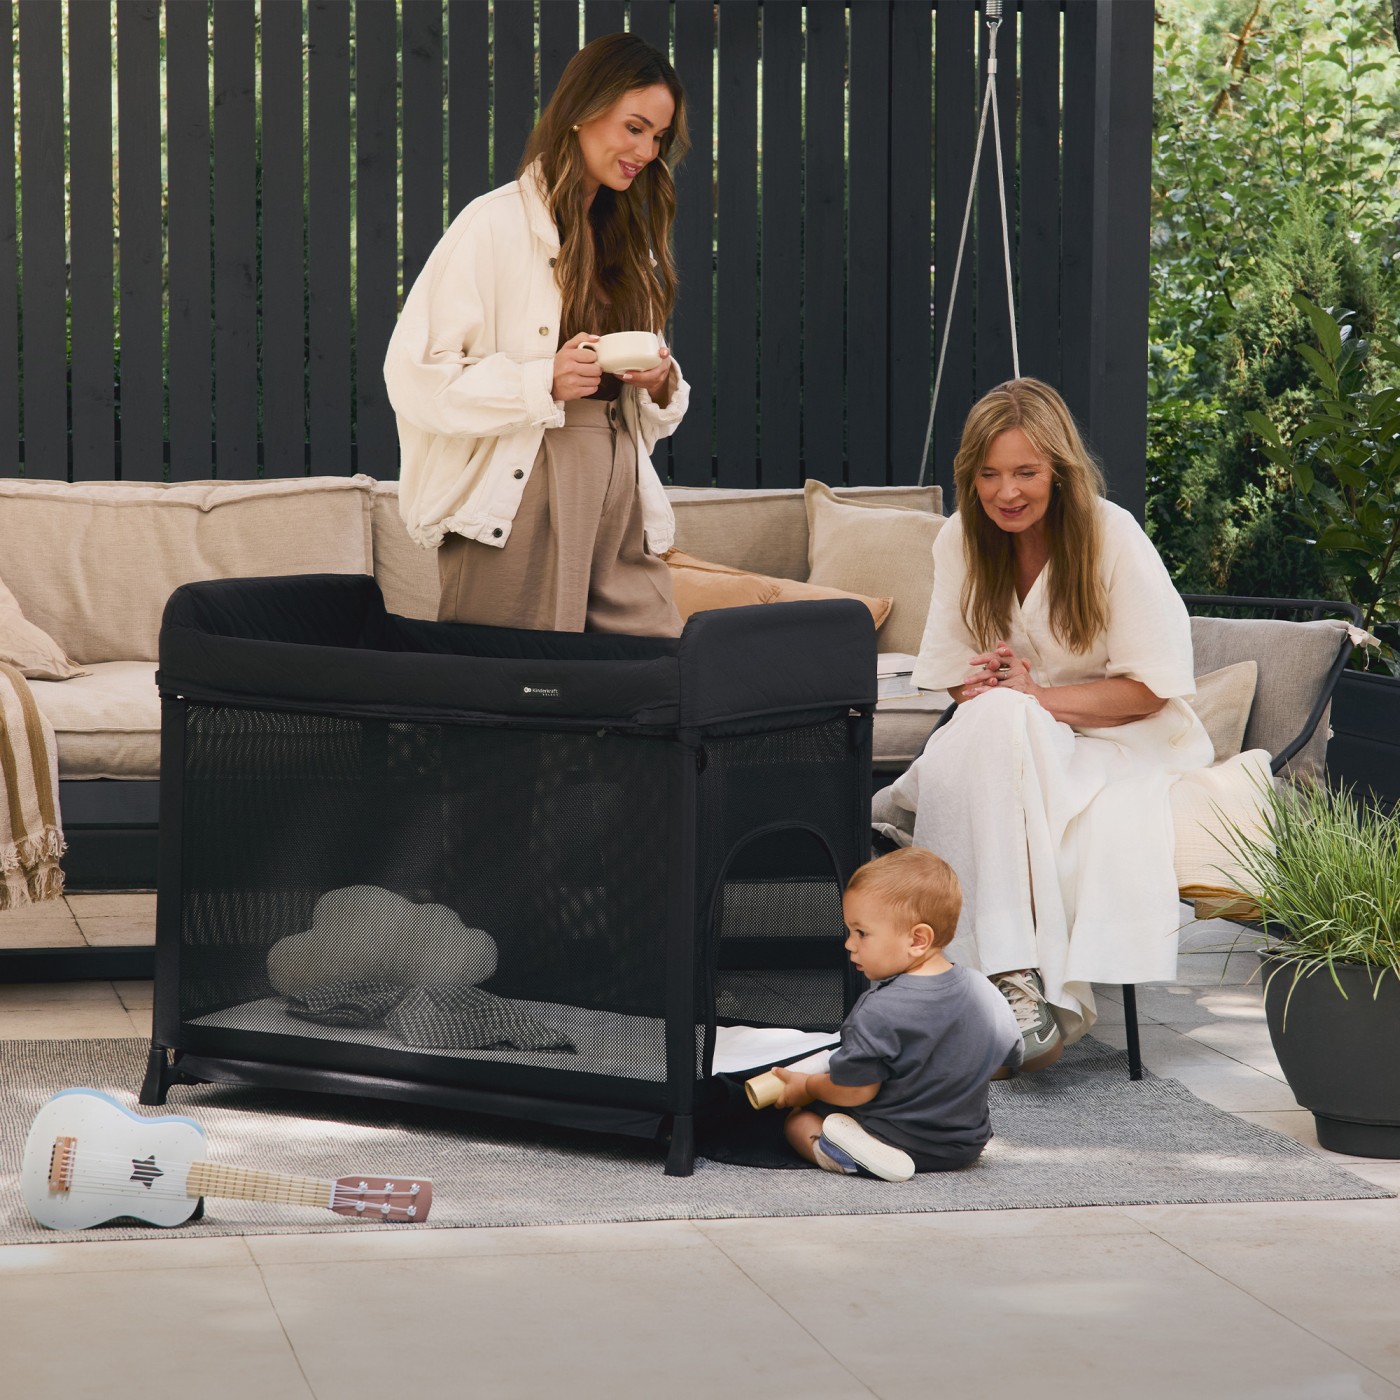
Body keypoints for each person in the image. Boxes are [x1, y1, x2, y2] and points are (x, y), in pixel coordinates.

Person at [873, 377, 1265, 1063]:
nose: (1006, 492)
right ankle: (1013, 982)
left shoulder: (1112, 536)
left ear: (1059, 469)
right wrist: (990, 685)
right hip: (1017, 735)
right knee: (994, 722)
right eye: (989, 474)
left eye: (1025, 472)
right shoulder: (961, 538)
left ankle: (984, 985)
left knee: (991, 736)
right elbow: (954, 676)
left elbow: (1151, 691)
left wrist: (1032, 698)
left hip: (1128, 740)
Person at [384, 33, 690, 636]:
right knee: (517, 681)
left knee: (651, 664)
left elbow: (649, 413)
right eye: (634, 128)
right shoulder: (492, 223)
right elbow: (415, 378)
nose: (646, 151)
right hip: (522, 488)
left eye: (657, 137)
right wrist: (541, 380)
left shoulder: (630, 244)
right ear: (581, 111)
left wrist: (659, 382)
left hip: (617, 483)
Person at [769, 847, 1023, 1181]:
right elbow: (1009, 1060)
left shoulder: (877, 1008)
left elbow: (855, 1090)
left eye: (861, 933)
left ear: (918, 939)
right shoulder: (984, 992)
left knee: (797, 1121)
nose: (849, 944)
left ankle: (840, 1153)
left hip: (889, 1138)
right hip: (963, 1145)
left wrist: (808, 1086)